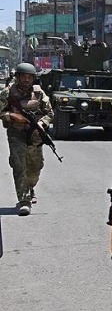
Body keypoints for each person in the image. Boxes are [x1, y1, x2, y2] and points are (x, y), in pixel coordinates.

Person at [0, 63, 53, 216]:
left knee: (36, 167)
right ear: (18, 77)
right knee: (19, 166)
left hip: (35, 135)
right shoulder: (7, 93)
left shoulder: (39, 93)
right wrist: (11, 115)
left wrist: (42, 123)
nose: (26, 80)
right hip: (16, 134)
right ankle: (24, 200)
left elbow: (49, 113)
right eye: (24, 76)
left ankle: (30, 187)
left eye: (30, 77)